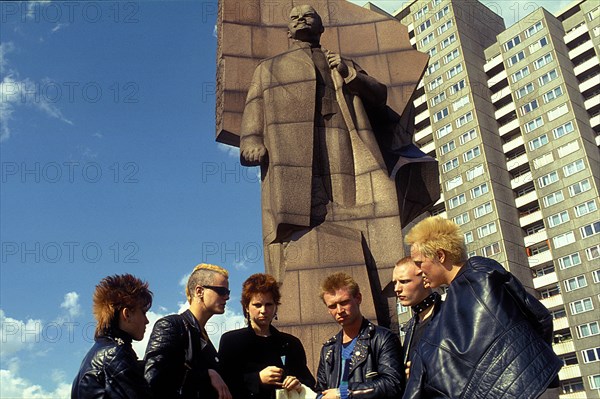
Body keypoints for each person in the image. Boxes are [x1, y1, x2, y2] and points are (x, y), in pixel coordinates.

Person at [239, 4, 439, 284]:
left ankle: (343, 222)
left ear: (321, 27)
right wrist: (251, 139)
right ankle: (311, 228)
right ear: (287, 31)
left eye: (308, 15)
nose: (301, 20)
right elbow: (255, 106)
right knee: (302, 196)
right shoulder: (268, 68)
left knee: (346, 193)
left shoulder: (340, 61)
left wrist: (349, 74)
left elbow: (379, 95)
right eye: (294, 17)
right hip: (290, 145)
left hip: (338, 129)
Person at [403, 216, 562, 399]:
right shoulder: (481, 273)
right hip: (534, 382)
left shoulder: (478, 275)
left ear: (440, 255)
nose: (418, 271)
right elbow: (540, 317)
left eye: (419, 263)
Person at [219, 273, 316, 398]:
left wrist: (298, 384)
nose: (263, 311)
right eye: (257, 305)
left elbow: (310, 383)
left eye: (269, 305)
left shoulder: (291, 343)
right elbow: (223, 385)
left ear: (276, 307)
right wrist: (257, 379)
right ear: (246, 307)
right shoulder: (231, 341)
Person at [144, 264, 232, 399]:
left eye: (228, 292)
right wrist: (205, 375)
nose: (226, 297)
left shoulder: (206, 341)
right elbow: (153, 379)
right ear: (199, 291)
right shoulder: (171, 326)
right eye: (221, 291)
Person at [315, 272, 402, 399]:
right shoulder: (329, 349)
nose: (339, 311)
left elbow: (393, 384)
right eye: (333, 306)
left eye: (344, 302)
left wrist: (344, 393)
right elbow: (320, 392)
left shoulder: (382, 338)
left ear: (358, 298)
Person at [71, 274, 153, 398]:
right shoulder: (114, 355)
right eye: (143, 312)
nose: (147, 321)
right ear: (127, 314)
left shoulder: (96, 354)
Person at [391, 256, 441, 386]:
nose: (397, 289)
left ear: (425, 280)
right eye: (395, 283)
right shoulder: (411, 326)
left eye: (404, 281)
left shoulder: (448, 315)